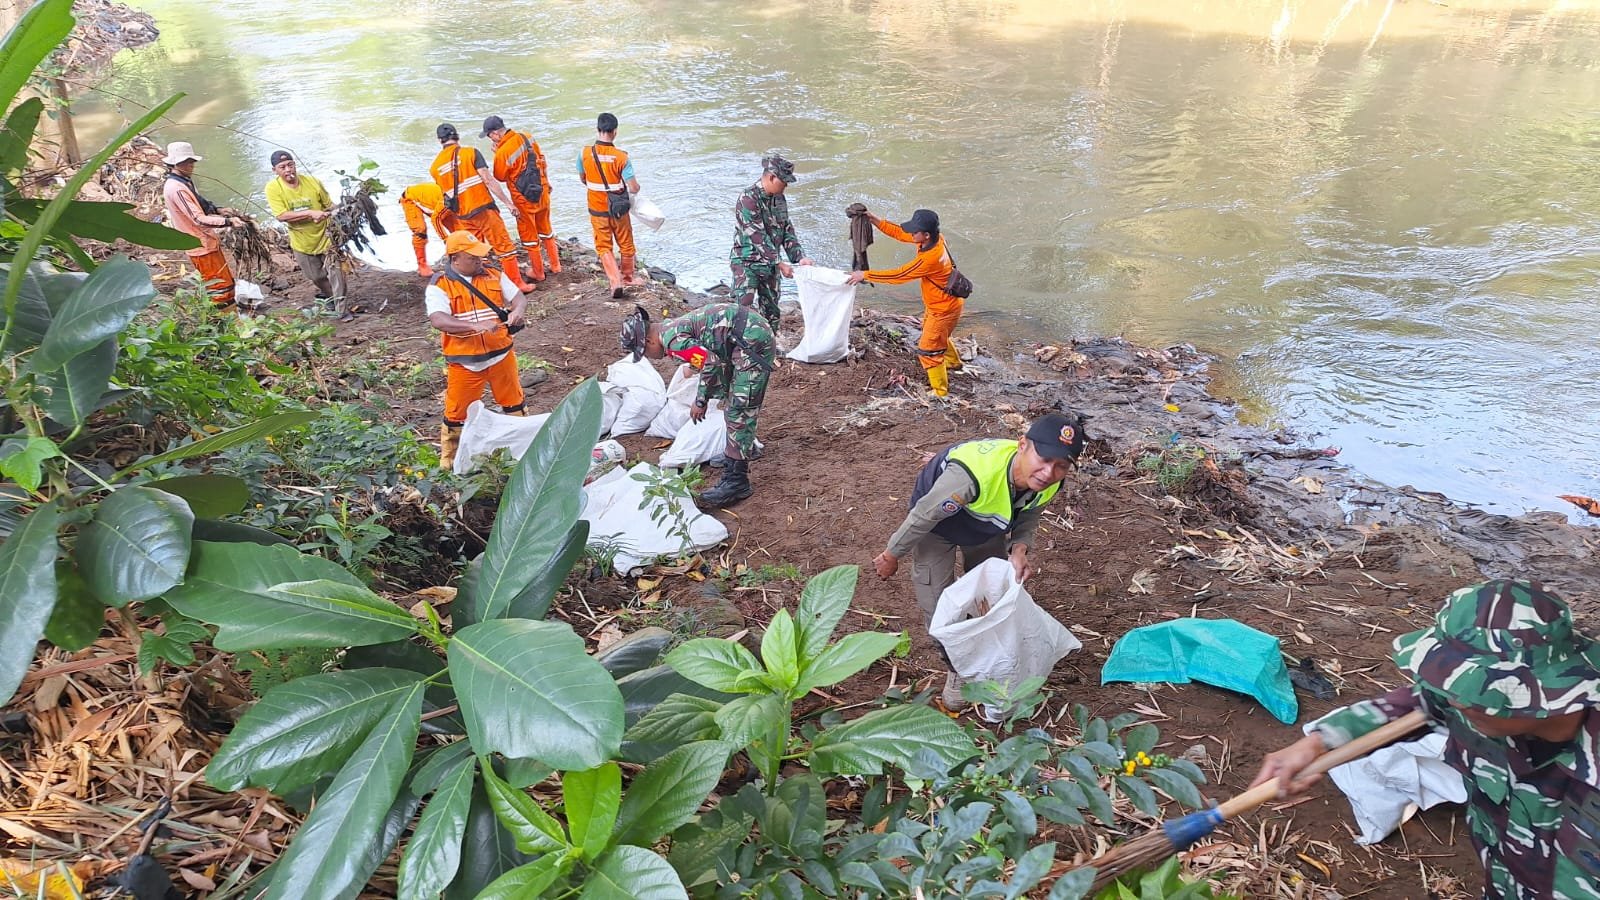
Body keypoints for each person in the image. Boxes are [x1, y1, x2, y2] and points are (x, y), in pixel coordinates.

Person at [1250, 579, 1600, 900]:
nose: (1458, 700)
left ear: (1549, 687)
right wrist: (1316, 743)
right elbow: (1412, 704)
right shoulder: (1473, 708)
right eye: (1454, 683)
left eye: (1480, 690)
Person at [873, 413, 1087, 708]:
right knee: (938, 601)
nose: (1049, 472)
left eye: (1061, 465)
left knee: (987, 595)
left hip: (986, 523)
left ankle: (985, 654)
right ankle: (957, 669)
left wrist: (1020, 549)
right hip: (938, 527)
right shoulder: (972, 476)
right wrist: (891, 554)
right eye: (1044, 458)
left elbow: (1029, 516)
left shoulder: (1048, 483)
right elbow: (924, 515)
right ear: (1022, 445)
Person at [620, 302, 774, 507]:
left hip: (753, 342)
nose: (651, 358)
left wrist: (701, 400)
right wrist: (693, 368)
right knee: (729, 399)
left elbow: (709, 361)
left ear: (649, 341)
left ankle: (736, 482)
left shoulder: (672, 341)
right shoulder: (669, 330)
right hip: (740, 340)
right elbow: (704, 353)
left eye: (645, 352)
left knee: (740, 408)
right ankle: (740, 451)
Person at [426, 230, 529, 468]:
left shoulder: (494, 274)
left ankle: (523, 449)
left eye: (479, 256)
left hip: (502, 356)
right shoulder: (439, 285)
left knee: (515, 404)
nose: (479, 260)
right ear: (455, 259)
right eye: (472, 257)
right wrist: (474, 325)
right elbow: (438, 320)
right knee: (456, 414)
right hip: (465, 362)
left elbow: (519, 298)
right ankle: (450, 463)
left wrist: (517, 312)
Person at [846, 208, 964, 398]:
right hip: (943, 304)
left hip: (943, 309)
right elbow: (900, 233)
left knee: (928, 349)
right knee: (935, 333)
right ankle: (953, 363)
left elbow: (899, 274)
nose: (910, 234)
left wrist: (865, 274)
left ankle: (940, 392)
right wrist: (874, 220)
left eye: (914, 232)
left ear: (925, 235)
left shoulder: (929, 259)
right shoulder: (936, 239)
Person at [430, 123, 535, 293]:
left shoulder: (434, 167)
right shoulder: (470, 153)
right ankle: (517, 285)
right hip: (483, 208)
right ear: (457, 137)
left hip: (462, 214)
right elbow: (489, 180)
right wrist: (508, 203)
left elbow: (446, 195)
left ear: (439, 141)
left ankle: (483, 286)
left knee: (475, 250)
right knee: (504, 247)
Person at [160, 141, 246, 312]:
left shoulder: (184, 181)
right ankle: (229, 323)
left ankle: (230, 316)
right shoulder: (176, 188)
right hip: (200, 245)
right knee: (219, 288)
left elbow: (200, 203)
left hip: (207, 242)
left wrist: (219, 210)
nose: (191, 165)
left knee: (225, 282)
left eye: (192, 161)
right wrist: (228, 222)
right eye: (187, 162)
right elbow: (198, 219)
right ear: (176, 164)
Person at [265, 150, 349, 321]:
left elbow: (329, 205)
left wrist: (343, 209)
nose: (288, 170)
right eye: (283, 167)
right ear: (275, 170)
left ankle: (342, 310)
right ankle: (331, 297)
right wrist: (311, 213)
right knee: (316, 276)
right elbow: (281, 215)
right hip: (302, 241)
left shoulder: (312, 182)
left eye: (291, 165)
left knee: (336, 275)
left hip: (326, 237)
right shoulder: (273, 188)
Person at [729, 154, 812, 326]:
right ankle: (739, 348)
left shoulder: (779, 199)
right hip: (747, 263)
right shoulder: (748, 198)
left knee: (772, 312)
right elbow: (757, 236)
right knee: (743, 310)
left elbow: (787, 230)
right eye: (784, 181)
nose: (786, 186)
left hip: (771, 266)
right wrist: (780, 263)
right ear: (772, 177)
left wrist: (799, 257)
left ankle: (768, 347)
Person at [483, 115, 560, 282]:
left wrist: (497, 153)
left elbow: (500, 176)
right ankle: (555, 265)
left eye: (489, 136)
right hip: (542, 190)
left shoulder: (503, 151)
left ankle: (538, 273)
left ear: (495, 134)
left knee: (530, 236)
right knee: (546, 229)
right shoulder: (527, 136)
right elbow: (542, 160)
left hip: (523, 199)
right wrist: (547, 180)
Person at [578, 113, 644, 298]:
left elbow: (583, 179)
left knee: (603, 245)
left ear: (598, 129)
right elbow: (633, 186)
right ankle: (628, 278)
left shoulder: (584, 153)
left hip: (596, 208)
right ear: (615, 132)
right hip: (618, 209)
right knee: (626, 242)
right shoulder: (621, 157)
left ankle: (615, 282)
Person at [398, 182, 458, 278]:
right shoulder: (447, 200)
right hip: (411, 199)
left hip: (433, 202)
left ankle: (456, 260)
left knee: (457, 230)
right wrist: (446, 239)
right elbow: (435, 220)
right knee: (420, 231)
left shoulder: (464, 200)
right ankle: (422, 265)